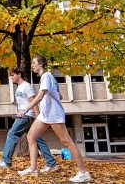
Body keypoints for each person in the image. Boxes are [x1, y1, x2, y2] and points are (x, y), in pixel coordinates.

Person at [20, 55, 92, 183]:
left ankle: (84, 173)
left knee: (67, 142)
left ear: (41, 64)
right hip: (45, 114)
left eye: (34, 63)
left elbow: (41, 95)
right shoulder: (48, 78)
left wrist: (26, 109)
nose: (32, 65)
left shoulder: (46, 76)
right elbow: (60, 96)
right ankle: (33, 168)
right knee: (31, 136)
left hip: (53, 114)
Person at [0, 68, 58, 174]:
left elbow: (33, 101)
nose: (11, 78)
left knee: (12, 134)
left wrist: (38, 118)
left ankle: (6, 161)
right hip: (24, 116)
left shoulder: (26, 86)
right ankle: (51, 163)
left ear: (19, 75)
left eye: (13, 75)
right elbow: (23, 103)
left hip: (27, 116)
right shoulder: (19, 87)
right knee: (37, 139)